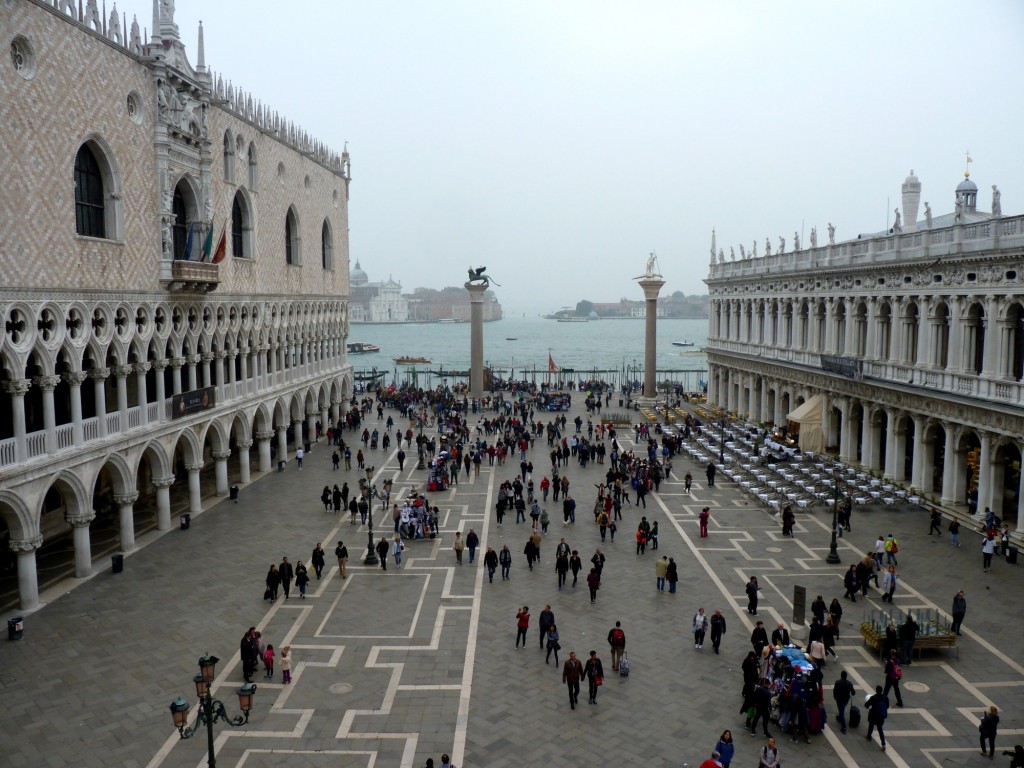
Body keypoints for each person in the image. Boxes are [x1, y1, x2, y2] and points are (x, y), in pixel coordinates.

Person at [866, 685, 888, 751]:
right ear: (882, 691)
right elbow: (887, 706)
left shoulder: (873, 698)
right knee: (880, 730)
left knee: (871, 725)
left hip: (873, 714)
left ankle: (869, 736)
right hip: (881, 716)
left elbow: (866, 705)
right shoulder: (885, 698)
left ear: (876, 690)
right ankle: (883, 744)